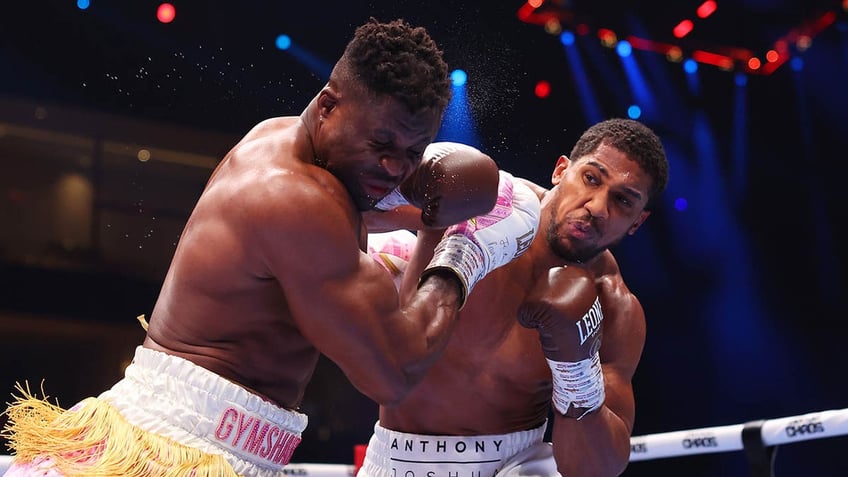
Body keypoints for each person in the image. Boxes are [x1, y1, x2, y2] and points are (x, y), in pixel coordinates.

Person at [1, 18, 541, 477]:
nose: (397, 167)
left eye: (413, 150)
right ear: (329, 106)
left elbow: (380, 207)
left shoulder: (288, 143)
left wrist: (520, 200)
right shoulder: (295, 199)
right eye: (382, 145)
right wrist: (462, 255)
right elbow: (392, 374)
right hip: (179, 450)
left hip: (211, 440)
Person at [360, 118, 670, 477]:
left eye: (622, 201)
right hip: (395, 456)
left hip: (516, 465)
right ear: (561, 171)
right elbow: (354, 210)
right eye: (591, 178)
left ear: (637, 221)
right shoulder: (483, 204)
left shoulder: (614, 307)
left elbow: (596, 469)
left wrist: (578, 373)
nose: (598, 207)